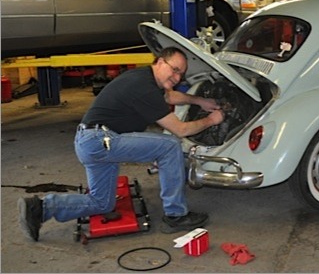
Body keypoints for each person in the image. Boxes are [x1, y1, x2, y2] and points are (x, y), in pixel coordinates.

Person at [18, 46, 224, 241]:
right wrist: (212, 120)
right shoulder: (144, 87)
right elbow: (181, 130)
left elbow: (170, 96)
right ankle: (175, 215)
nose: (177, 77)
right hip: (101, 141)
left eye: (181, 74)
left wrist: (200, 101)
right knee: (169, 145)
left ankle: (41, 207)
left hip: (91, 142)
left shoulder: (144, 78)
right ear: (160, 62)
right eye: (175, 70)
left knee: (102, 203)